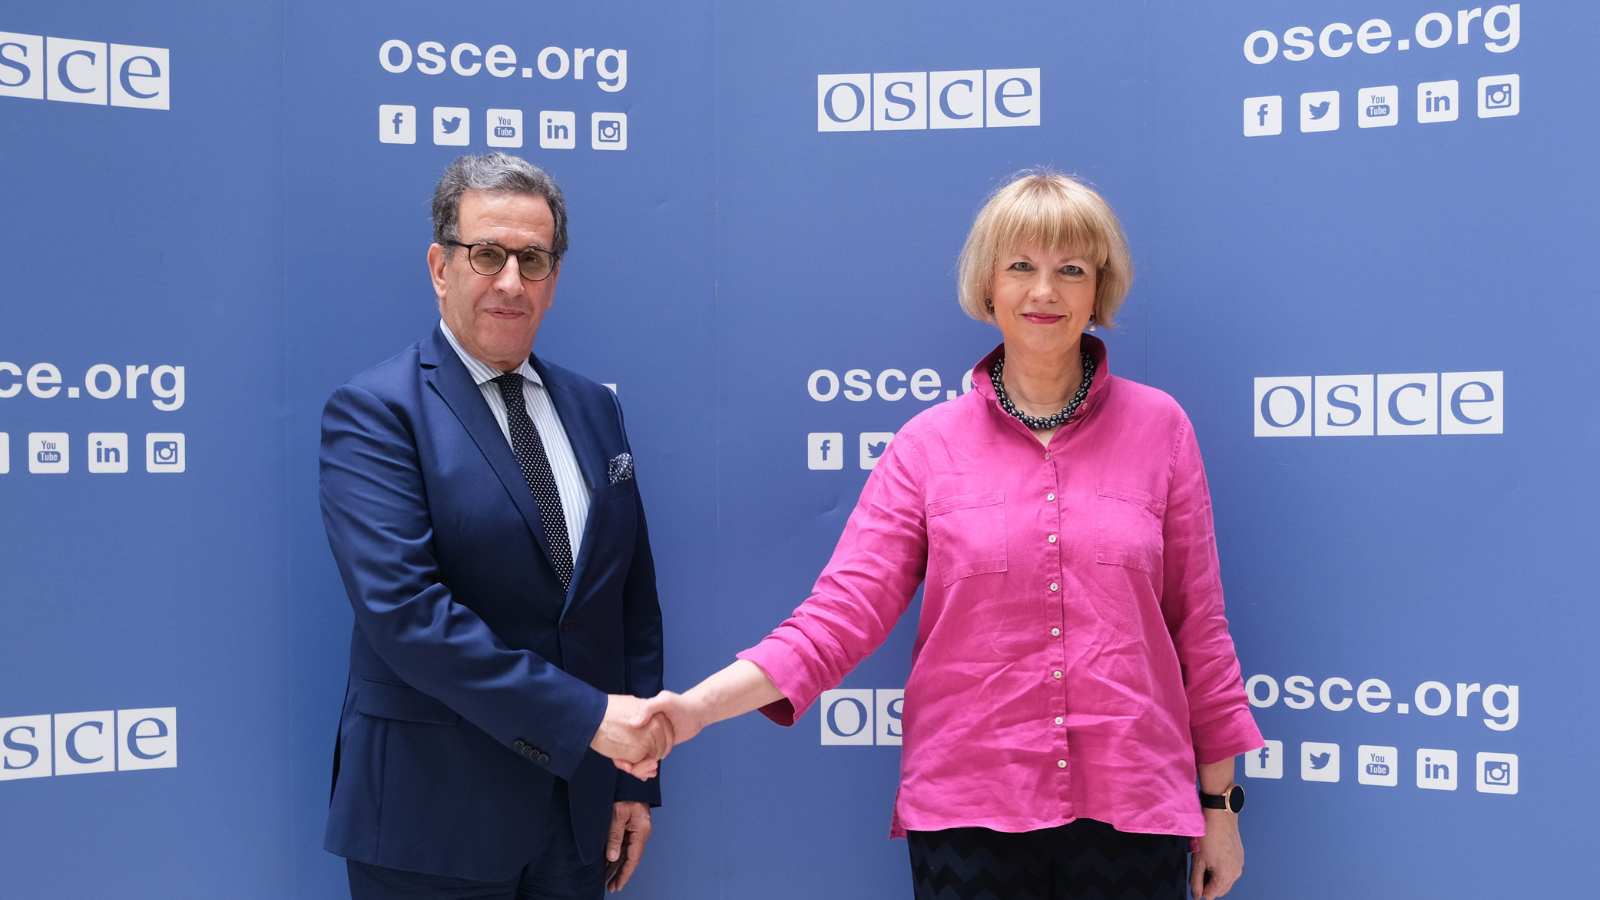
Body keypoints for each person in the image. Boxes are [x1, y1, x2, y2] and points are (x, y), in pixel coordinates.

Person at [631, 171, 1263, 900]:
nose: (1044, 291)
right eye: (1020, 266)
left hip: (1134, 809)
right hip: (968, 814)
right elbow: (839, 616)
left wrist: (1220, 808)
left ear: (1099, 290)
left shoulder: (1162, 430)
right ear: (988, 286)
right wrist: (696, 708)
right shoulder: (925, 447)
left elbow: (1200, 631)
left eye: (1071, 270)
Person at [319, 152, 672, 900]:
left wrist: (633, 777)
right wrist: (589, 720)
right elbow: (406, 615)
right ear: (440, 267)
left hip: (579, 818)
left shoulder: (595, 407)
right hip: (431, 819)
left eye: (532, 259)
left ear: (553, 276)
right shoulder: (376, 411)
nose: (511, 281)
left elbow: (629, 602)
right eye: (487, 255)